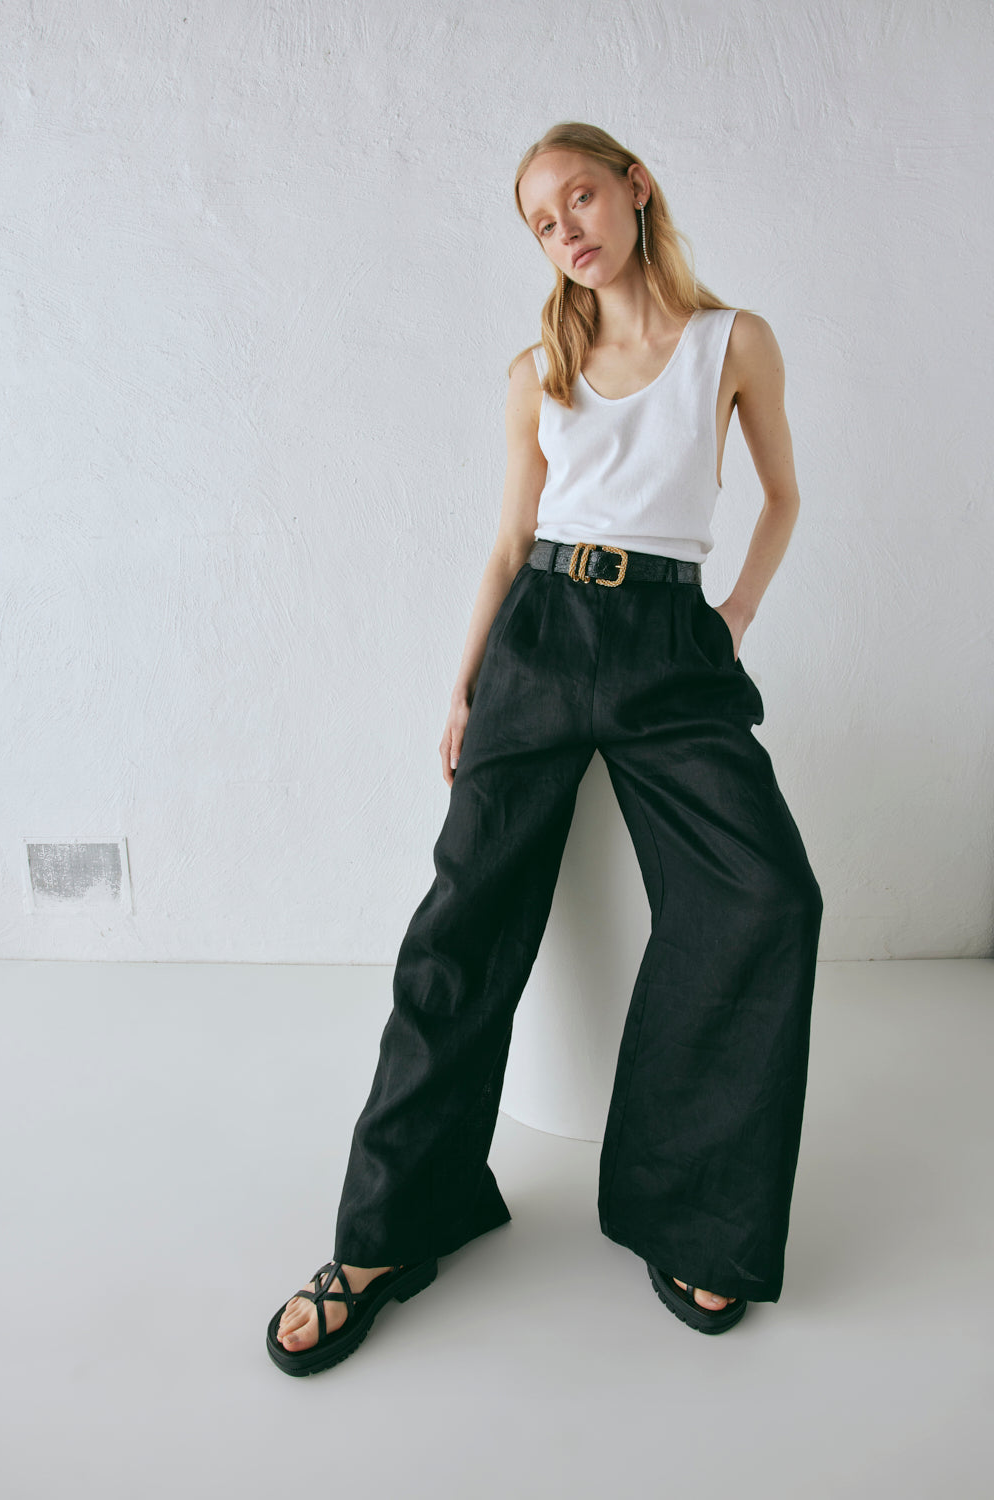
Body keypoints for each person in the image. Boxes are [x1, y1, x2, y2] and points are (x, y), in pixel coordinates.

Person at [266, 120, 824, 1373]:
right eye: (539, 219)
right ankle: (387, 1233)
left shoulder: (734, 342)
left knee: (768, 895)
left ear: (636, 187)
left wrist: (732, 615)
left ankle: (691, 1211)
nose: (564, 228)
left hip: (671, 646)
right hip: (542, 635)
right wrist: (465, 687)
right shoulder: (537, 370)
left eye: (578, 196)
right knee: (459, 928)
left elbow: (783, 496)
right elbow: (509, 545)